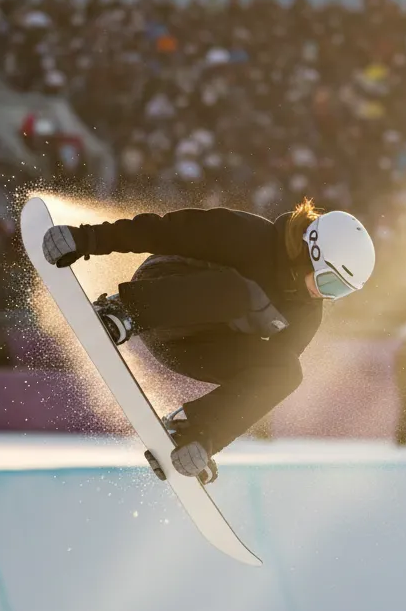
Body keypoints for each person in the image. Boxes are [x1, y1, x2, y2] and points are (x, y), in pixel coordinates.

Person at [42, 199, 376, 480]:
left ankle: (187, 429)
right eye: (329, 282)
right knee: (242, 293)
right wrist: (87, 240)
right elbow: (163, 232)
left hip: (188, 346)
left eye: (340, 292)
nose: (326, 295)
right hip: (162, 291)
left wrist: (208, 437)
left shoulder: (306, 313)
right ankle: (122, 310)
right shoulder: (249, 236)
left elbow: (261, 381)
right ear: (310, 251)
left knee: (287, 371)